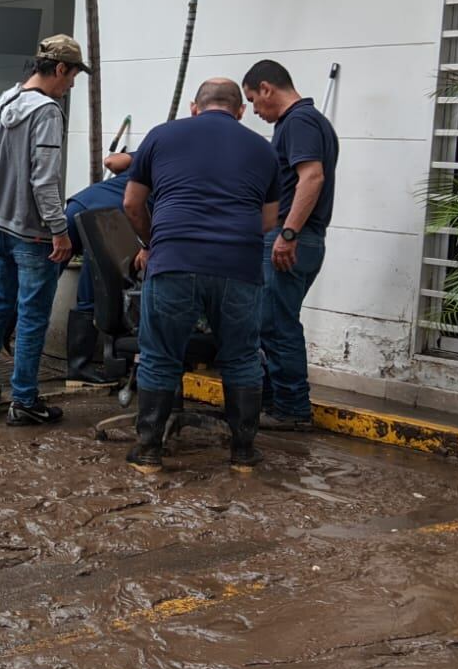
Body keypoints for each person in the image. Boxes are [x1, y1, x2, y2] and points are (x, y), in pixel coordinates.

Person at [121, 78, 280, 472]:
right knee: (242, 357)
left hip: (174, 260)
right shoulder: (264, 149)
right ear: (240, 110)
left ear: (195, 106)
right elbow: (269, 220)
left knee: (160, 355)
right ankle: (243, 454)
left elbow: (131, 203)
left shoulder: (161, 137)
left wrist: (151, 240)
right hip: (238, 267)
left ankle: (149, 453)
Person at [0, 35, 86, 425]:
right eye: (73, 76)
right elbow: (45, 181)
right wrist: (59, 230)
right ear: (59, 69)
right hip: (33, 233)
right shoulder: (47, 112)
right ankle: (25, 400)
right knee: (31, 316)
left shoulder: (4, 101)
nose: (72, 86)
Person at [242, 59, 340, 430]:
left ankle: (292, 408)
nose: (254, 110)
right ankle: (273, 401)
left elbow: (311, 177)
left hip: (294, 237)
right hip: (300, 237)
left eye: (253, 100)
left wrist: (288, 234)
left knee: (277, 324)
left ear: (267, 88)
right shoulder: (308, 122)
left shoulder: (299, 122)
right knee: (274, 322)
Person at [62, 150, 133, 384]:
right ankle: (79, 366)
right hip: (108, 220)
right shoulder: (174, 170)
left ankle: (5, 336)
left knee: (43, 280)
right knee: (92, 291)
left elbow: (111, 161)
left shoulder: (149, 154)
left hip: (80, 204)